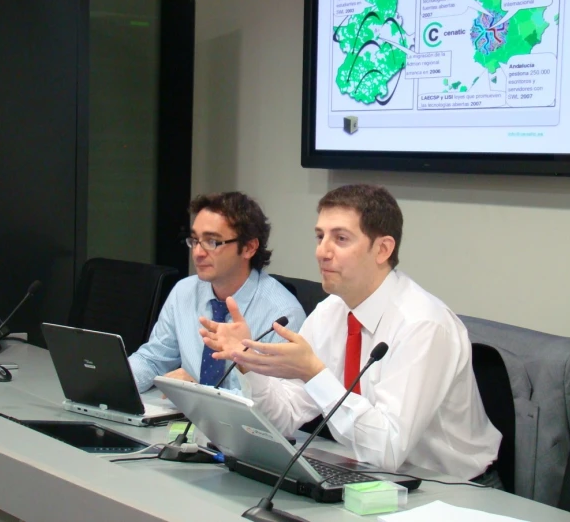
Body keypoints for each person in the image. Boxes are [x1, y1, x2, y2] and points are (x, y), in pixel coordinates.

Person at [200, 184, 502, 485]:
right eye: (320, 237)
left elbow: (387, 450)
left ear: (382, 249)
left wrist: (314, 374)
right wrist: (250, 366)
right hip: (368, 475)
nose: (322, 252)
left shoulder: (422, 325)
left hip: (452, 489)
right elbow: (283, 419)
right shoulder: (330, 312)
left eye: (340, 239)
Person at [128, 191, 306, 393]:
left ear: (249, 247)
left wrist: (199, 393)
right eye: (195, 240)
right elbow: (153, 360)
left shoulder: (283, 315)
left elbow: (280, 402)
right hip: (182, 418)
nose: (198, 252)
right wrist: (112, 382)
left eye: (212, 242)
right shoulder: (183, 291)